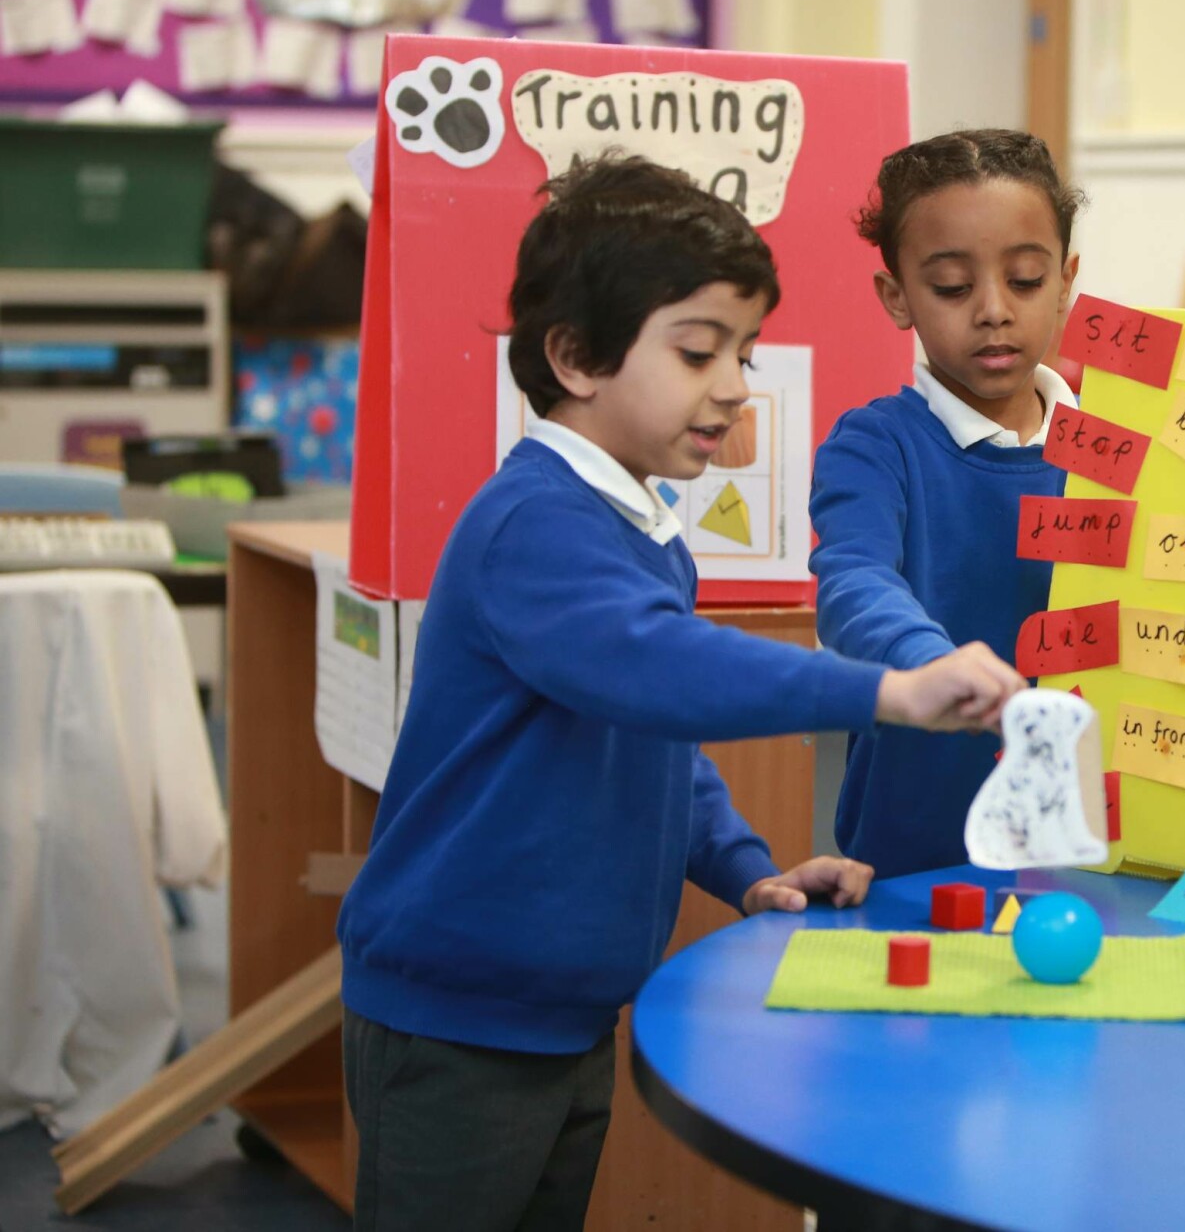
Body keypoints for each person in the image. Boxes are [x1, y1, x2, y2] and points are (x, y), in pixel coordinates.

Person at [336, 154, 1023, 1232]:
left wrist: (746, 872)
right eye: (699, 350)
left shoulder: (640, 525)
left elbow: (653, 739)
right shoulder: (538, 525)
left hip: (561, 1013)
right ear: (574, 356)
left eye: (741, 352)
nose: (736, 386)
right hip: (458, 1020)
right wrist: (886, 690)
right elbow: (668, 672)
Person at [810, 129, 1085, 877]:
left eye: (1025, 280)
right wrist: (933, 667)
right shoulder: (875, 446)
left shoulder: (1116, 446)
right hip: (914, 860)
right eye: (954, 288)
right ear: (896, 296)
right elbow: (854, 583)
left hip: (1091, 856)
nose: (994, 310)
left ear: (1066, 281)